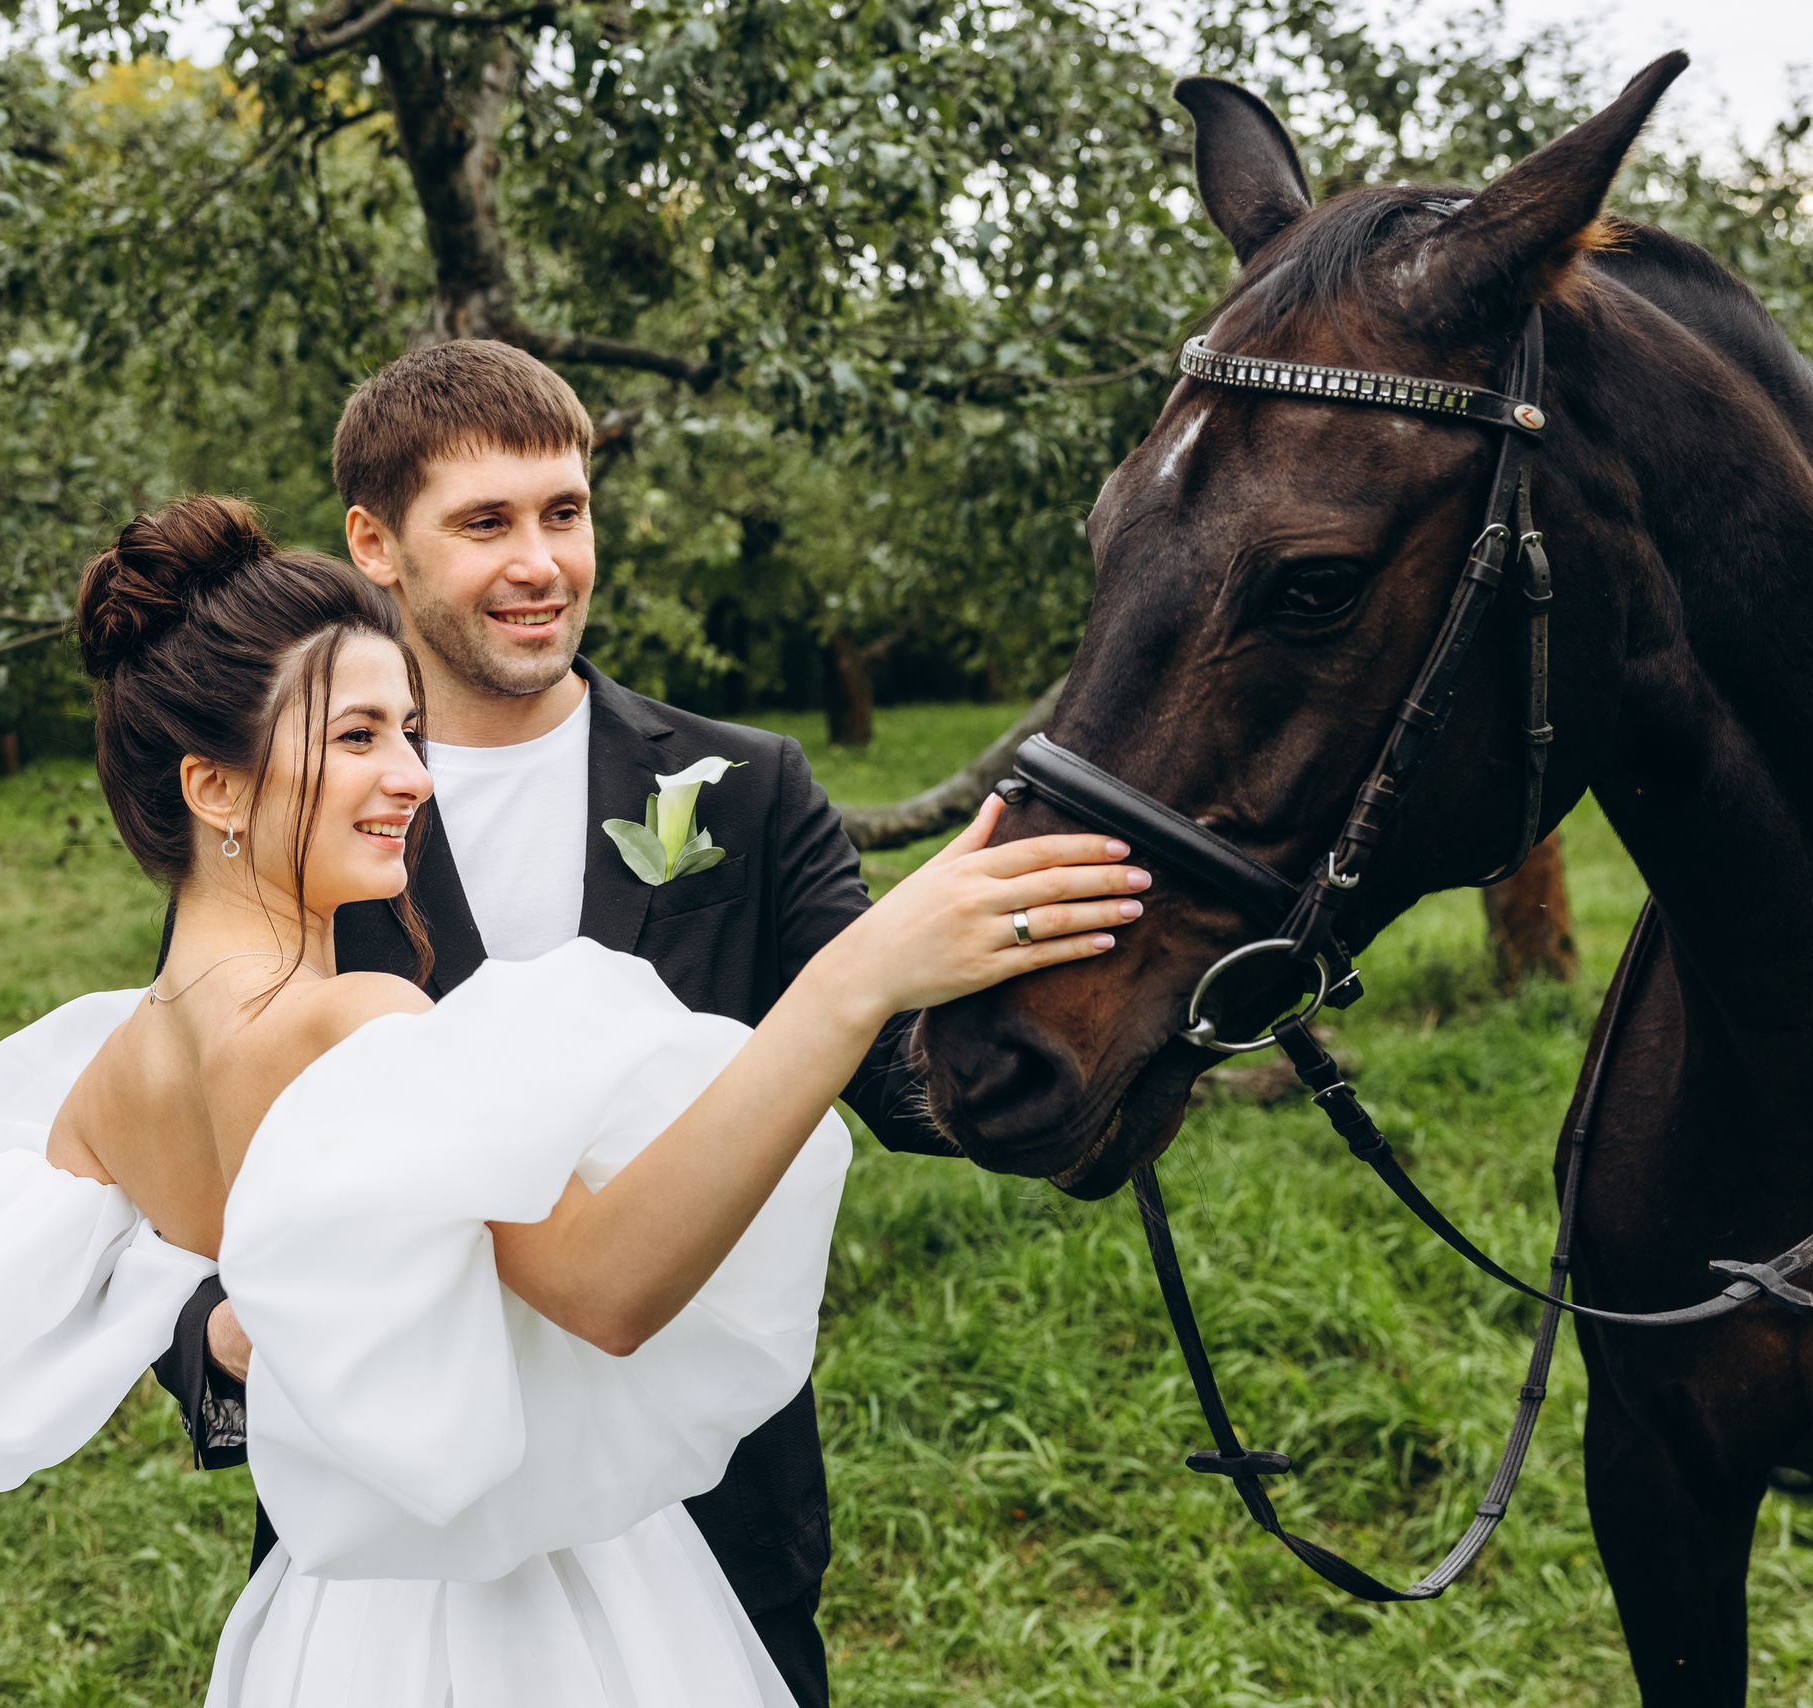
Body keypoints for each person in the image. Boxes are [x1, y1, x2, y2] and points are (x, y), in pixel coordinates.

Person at [0, 496, 1148, 1705]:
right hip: (519, 1620)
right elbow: (605, 1290)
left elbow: (121, 1290)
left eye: (406, 731)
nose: (411, 776)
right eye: (357, 740)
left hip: (322, 1619)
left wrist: (244, 1330)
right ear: (214, 788)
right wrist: (856, 981)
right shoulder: (350, 1016)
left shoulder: (104, 1063)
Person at [148, 341, 1101, 1704]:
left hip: (708, 1521)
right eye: (485, 524)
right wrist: (223, 1347)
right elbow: (189, 1154)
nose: (541, 563)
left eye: (565, 513)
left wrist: (1122, 988)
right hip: (399, 1547)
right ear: (377, 544)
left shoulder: (749, 790)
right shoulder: (295, 820)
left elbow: (910, 1083)